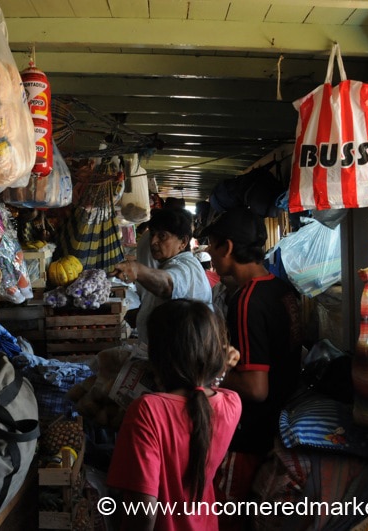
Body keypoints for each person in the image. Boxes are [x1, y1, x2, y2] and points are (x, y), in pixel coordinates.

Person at [197, 207, 303, 531]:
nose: (211, 256)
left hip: (250, 437)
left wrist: (208, 369)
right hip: (280, 423)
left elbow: (257, 388)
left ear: (227, 247)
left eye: (212, 246)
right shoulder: (283, 289)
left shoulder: (247, 301)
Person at [108, 299, 242, 531]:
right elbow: (207, 389)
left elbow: (143, 514)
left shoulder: (147, 411)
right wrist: (219, 366)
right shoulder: (231, 404)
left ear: (157, 355)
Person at [111, 207, 212, 345]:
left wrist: (137, 270)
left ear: (183, 242)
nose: (153, 242)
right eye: (152, 234)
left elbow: (169, 285)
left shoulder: (186, 267)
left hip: (183, 358)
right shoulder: (169, 264)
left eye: (162, 236)